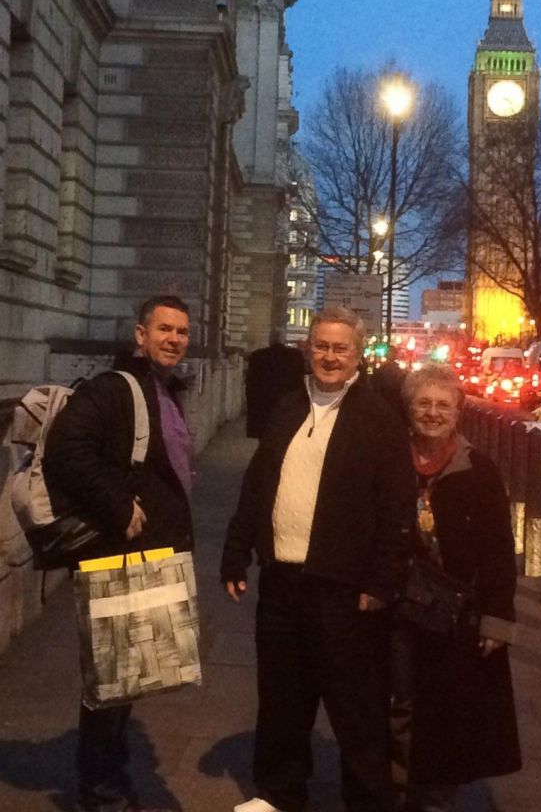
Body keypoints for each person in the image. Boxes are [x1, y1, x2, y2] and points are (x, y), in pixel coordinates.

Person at [221, 306, 415, 812]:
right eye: (321, 346)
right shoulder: (287, 407)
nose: (330, 356)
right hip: (283, 582)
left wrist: (381, 582)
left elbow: (397, 510)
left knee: (355, 710)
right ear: (309, 348)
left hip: (345, 588)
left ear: (358, 355)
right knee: (282, 701)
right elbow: (258, 483)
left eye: (340, 348)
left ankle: (368, 802)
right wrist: (236, 551)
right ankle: (280, 795)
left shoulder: (379, 419)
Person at [43, 295, 195, 812]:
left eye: (181, 332)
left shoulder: (161, 388)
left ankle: (111, 778)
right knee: (109, 683)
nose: (174, 339)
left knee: (124, 679)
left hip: (143, 556)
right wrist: (116, 507)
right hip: (115, 555)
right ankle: (101, 791)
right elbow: (66, 449)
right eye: (164, 330)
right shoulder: (116, 387)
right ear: (139, 334)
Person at [390, 364, 521, 812]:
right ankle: (400, 790)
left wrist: (497, 620)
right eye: (423, 403)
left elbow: (500, 550)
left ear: (458, 412)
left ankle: (434, 799)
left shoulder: (478, 470)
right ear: (409, 409)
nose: (432, 413)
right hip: (397, 607)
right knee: (400, 703)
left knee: (446, 711)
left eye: (442, 405)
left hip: (456, 614)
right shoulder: (389, 461)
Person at [245, 328, 306, 438]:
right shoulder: (295, 356)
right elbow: (301, 382)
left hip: (263, 408)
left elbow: (251, 386)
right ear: (283, 339)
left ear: (270, 340)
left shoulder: (257, 356)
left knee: (263, 438)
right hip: (287, 407)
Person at [371, 345, 407, 419]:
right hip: (387, 402)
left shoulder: (398, 371)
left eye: (393, 353)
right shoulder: (398, 371)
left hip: (391, 402)